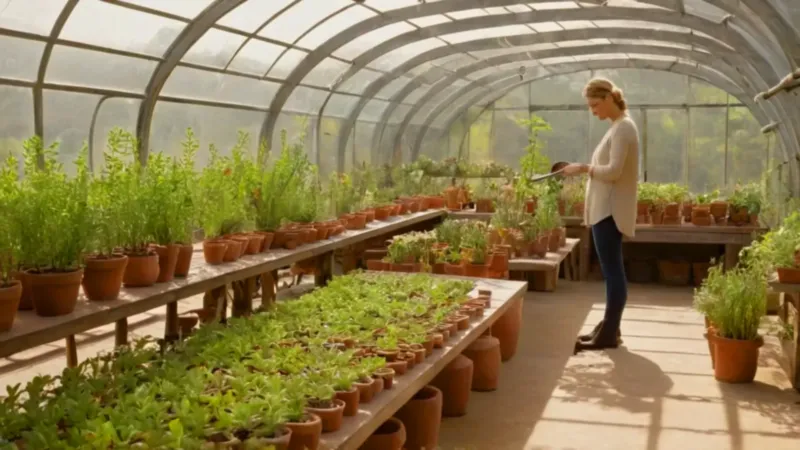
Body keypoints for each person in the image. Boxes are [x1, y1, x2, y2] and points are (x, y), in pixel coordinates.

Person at [561, 77, 640, 353]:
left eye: (595, 105)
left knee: (613, 273)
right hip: (604, 210)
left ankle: (609, 331)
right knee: (612, 271)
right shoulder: (617, 127)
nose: (593, 111)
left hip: (609, 212)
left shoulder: (623, 129)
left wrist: (584, 168)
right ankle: (610, 327)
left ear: (609, 98)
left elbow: (614, 171)